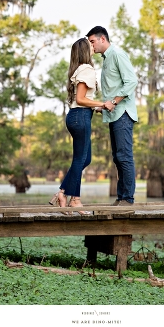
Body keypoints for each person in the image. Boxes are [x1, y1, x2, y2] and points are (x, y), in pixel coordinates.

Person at [50, 37, 107, 212]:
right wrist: (102, 104)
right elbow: (82, 100)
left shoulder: (79, 69)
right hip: (80, 117)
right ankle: (74, 199)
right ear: (84, 50)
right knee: (80, 159)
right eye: (90, 44)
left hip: (77, 116)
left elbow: (81, 99)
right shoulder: (87, 69)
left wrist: (96, 108)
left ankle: (63, 192)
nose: (93, 46)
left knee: (85, 158)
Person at [87, 26, 138, 206]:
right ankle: (121, 197)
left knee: (124, 156)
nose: (91, 46)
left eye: (92, 42)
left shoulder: (116, 53)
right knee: (117, 157)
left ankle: (128, 199)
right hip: (113, 114)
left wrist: (114, 102)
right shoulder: (107, 59)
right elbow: (114, 87)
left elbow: (132, 81)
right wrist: (104, 105)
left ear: (102, 39)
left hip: (122, 113)